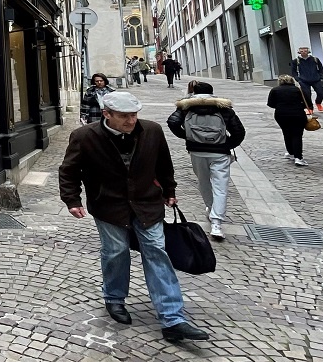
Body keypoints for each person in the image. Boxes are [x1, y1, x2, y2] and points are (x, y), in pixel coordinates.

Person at [59, 91, 211, 343]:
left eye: (134, 115)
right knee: (116, 251)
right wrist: (72, 200)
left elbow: (164, 163)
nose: (131, 121)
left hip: (147, 202)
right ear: (106, 114)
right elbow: (69, 171)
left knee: (157, 252)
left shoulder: (151, 131)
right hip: (108, 204)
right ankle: (114, 298)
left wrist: (169, 189)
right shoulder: (85, 136)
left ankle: (173, 319)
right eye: (124, 116)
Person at [166, 81, 246, 242]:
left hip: (197, 151)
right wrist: (227, 144)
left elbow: (172, 122)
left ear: (194, 92)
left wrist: (188, 137)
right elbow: (239, 131)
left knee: (203, 182)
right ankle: (216, 223)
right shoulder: (223, 108)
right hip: (220, 153)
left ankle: (211, 209)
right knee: (221, 186)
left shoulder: (186, 106)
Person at [267, 74, 311, 166]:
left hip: (281, 114)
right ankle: (298, 157)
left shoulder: (275, 90)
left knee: (286, 133)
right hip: (297, 114)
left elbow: (270, 103)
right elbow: (308, 102)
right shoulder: (299, 90)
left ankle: (290, 152)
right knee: (297, 135)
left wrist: (280, 106)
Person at [291, 46, 323, 113]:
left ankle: (318, 102)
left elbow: (321, 69)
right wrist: (298, 79)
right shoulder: (296, 61)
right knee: (306, 94)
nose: (303, 52)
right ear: (299, 52)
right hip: (304, 80)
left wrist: (322, 78)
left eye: (305, 51)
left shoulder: (315, 59)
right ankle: (310, 108)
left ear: (308, 51)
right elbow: (294, 71)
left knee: (321, 93)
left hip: (316, 79)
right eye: (302, 51)